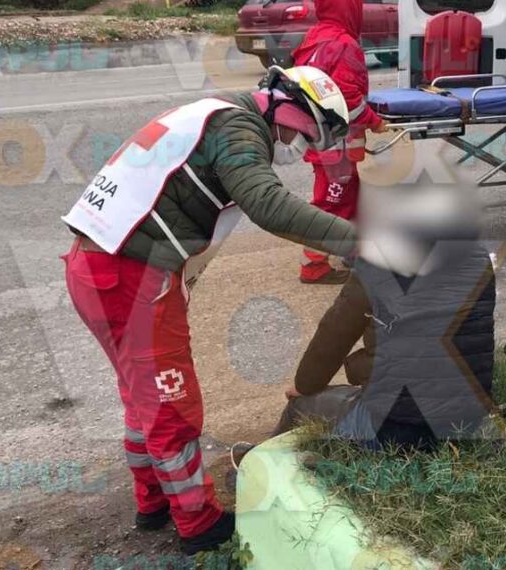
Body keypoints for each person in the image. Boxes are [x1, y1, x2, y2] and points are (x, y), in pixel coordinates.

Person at [61, 66, 356, 554]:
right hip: (131, 275)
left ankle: (152, 501)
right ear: (285, 107)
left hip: (96, 265)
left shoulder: (212, 112)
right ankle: (198, 524)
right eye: (305, 137)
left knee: (144, 397)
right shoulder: (237, 127)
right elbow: (269, 205)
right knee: (173, 403)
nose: (301, 152)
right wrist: (359, 241)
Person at [273, 180, 501, 450]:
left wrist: (304, 385)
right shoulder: (478, 260)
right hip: (468, 420)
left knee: (299, 404)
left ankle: (252, 464)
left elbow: (333, 334)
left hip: (395, 427)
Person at [292, 0, 389, 284]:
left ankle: (354, 251)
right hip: (337, 144)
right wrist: (375, 121)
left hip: (318, 137)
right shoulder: (344, 43)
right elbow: (348, 98)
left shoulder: (314, 37)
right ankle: (313, 266)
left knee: (349, 196)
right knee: (331, 203)